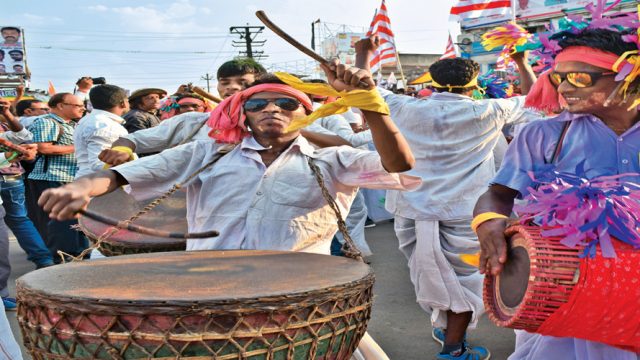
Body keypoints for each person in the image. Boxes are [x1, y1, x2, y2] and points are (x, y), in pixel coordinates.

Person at [355, 36, 538, 359]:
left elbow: (361, 91)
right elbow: (535, 99)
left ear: (432, 82)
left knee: (433, 277)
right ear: (475, 84)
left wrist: (363, 55)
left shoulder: (402, 105)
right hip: (467, 213)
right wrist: (522, 63)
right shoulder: (491, 109)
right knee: (463, 282)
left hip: (411, 210)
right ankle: (453, 347)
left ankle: (450, 335)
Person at [474, 28, 640, 360]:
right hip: (565, 291)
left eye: (579, 78)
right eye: (558, 78)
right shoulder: (541, 134)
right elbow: (499, 193)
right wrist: (488, 221)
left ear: (628, 76)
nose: (563, 88)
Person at [99, 58, 267, 166]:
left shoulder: (275, 125)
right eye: (225, 82)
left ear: (260, 87)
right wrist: (122, 150)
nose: (231, 87)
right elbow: (134, 139)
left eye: (242, 82)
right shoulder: (193, 122)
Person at [27, 92, 87, 262]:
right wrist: (78, 147)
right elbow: (43, 148)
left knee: (74, 221)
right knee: (60, 223)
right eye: (77, 105)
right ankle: (61, 258)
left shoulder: (73, 125)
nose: (82, 108)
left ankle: (78, 254)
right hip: (52, 177)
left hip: (70, 178)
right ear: (61, 105)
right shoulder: (47, 121)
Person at [0, 98, 54, 270]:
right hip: (12, 177)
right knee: (19, 220)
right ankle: (43, 259)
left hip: (11, 178)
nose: (44, 112)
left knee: (19, 220)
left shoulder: (5, 127)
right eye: (41, 109)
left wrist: (7, 113)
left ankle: (44, 260)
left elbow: (23, 136)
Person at [74, 84, 129, 178]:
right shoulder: (104, 125)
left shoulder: (91, 120)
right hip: (101, 183)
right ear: (123, 103)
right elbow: (99, 163)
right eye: (128, 100)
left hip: (91, 181)